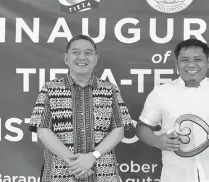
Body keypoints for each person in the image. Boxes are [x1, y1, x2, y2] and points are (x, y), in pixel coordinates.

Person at [136, 39, 209, 182]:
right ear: (176, 63)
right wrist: (156, 140)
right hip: (174, 177)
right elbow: (142, 128)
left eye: (198, 59)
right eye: (184, 60)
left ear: (208, 62)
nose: (191, 65)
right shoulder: (160, 93)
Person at [29, 35, 133, 182]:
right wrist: (76, 164)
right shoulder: (49, 89)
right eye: (76, 52)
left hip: (102, 175)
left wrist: (92, 156)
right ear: (66, 58)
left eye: (88, 53)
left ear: (96, 59)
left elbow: (118, 130)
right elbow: (43, 130)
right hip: (60, 175)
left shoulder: (110, 90)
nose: (82, 57)